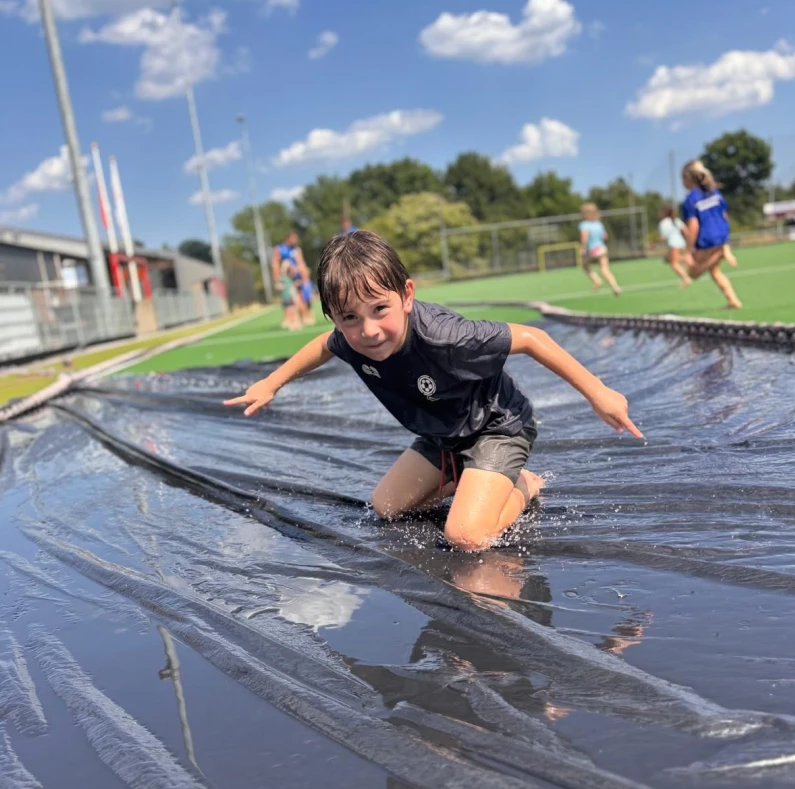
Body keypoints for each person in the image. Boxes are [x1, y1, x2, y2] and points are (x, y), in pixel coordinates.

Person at [224, 231, 643, 552]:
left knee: (466, 537)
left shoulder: (447, 337)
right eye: (349, 317)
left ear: (407, 295)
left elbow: (531, 338)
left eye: (379, 310)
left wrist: (598, 392)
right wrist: (271, 382)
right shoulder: (347, 338)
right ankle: (466, 475)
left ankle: (524, 484)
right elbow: (321, 345)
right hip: (442, 434)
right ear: (333, 316)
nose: (368, 330)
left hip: (496, 428)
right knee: (386, 508)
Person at [680, 160, 742, 309]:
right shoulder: (714, 192)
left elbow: (693, 226)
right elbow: (724, 215)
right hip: (721, 235)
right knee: (715, 271)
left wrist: (688, 251)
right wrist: (725, 238)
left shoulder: (690, 199)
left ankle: (719, 254)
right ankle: (733, 300)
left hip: (707, 239)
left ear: (689, 179)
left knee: (693, 273)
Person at [272, 231, 316, 326]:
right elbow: (276, 264)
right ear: (288, 238)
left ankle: (305, 316)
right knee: (287, 298)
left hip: (297, 276)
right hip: (286, 278)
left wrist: (305, 276)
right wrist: (277, 279)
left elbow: (301, 263)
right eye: (294, 238)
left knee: (302, 297)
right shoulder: (279, 249)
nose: (296, 240)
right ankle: (288, 319)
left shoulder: (297, 250)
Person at [578, 203, 621, 296]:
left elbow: (584, 237)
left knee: (585, 265)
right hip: (602, 249)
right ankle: (615, 286)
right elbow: (605, 236)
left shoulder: (584, 225)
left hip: (593, 250)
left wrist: (583, 248)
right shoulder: (599, 224)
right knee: (605, 269)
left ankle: (596, 280)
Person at [657, 204, 692, 287]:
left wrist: (654, 243)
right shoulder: (676, 220)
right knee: (668, 259)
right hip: (682, 243)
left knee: (674, 263)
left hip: (673, 244)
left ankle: (686, 279)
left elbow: (663, 237)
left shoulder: (663, 223)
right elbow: (686, 231)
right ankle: (688, 260)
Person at [278, 261, 302, 331]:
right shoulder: (283, 277)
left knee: (294, 309)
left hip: (291, 295)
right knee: (290, 310)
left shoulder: (289, 277)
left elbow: (294, 270)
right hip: (287, 296)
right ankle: (292, 323)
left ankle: (296, 323)